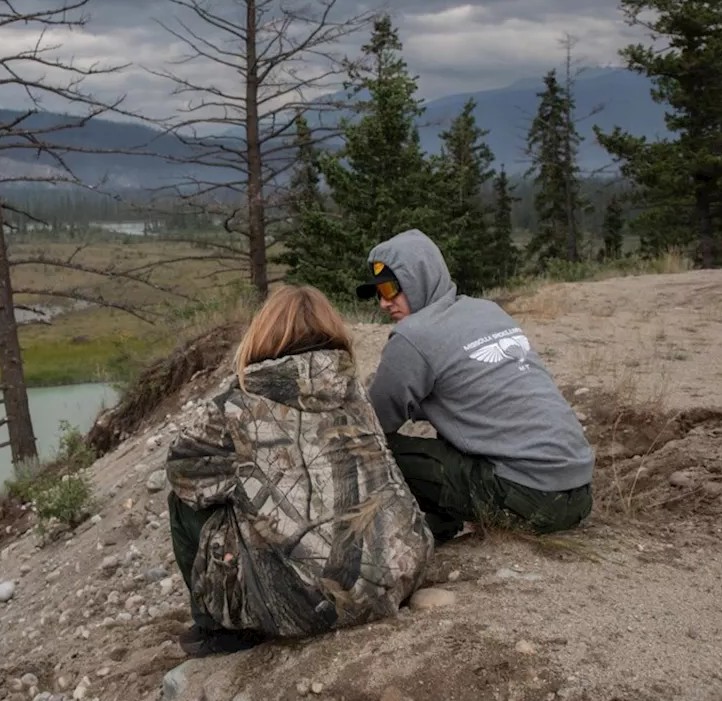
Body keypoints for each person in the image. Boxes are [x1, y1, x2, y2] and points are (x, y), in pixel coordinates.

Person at [165, 285, 434, 658]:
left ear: (262, 334)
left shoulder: (236, 404)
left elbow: (183, 476)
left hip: (308, 605)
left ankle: (217, 630)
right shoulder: (354, 389)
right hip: (396, 576)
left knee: (182, 504)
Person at [355, 229, 594, 544]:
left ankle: (420, 530)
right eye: (378, 293)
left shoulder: (414, 337)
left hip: (534, 501)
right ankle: (441, 520)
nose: (384, 303)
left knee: (371, 450)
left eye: (390, 289)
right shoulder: (487, 311)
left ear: (419, 279)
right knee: (453, 442)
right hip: (580, 494)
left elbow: (372, 424)